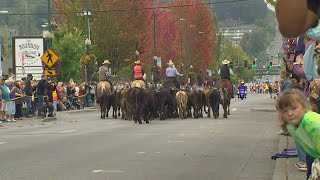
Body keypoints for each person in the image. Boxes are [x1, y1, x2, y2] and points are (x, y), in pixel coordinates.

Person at [277, 89, 320, 179]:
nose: (289, 113)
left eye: (294, 108)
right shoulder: (293, 125)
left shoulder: (312, 123)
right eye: (285, 111)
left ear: (304, 106)